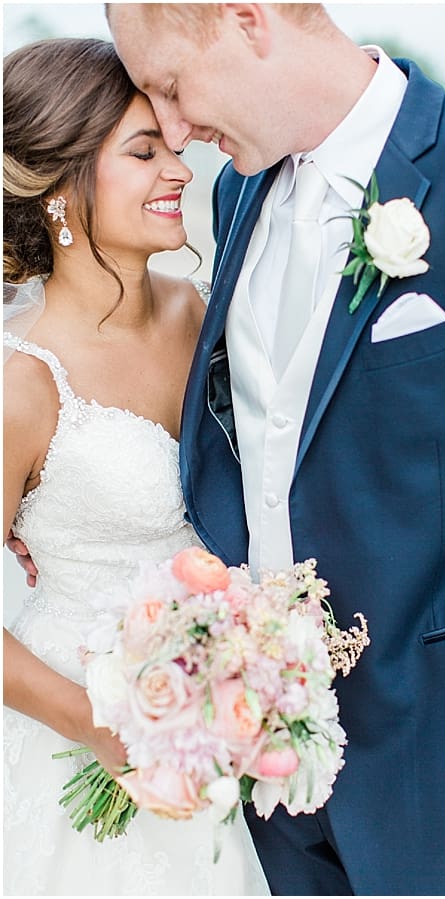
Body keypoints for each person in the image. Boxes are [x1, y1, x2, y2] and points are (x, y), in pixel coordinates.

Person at [104, 4, 445, 894]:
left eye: (172, 88)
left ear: (247, 19)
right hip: (263, 752)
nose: (174, 129)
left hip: (444, 756)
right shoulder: (237, 191)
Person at [2, 37, 270, 894]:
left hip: (223, 723)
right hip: (80, 732)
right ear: (59, 186)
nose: (181, 171)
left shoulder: (203, 311)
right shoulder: (22, 382)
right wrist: (100, 725)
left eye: (173, 144)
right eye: (143, 150)